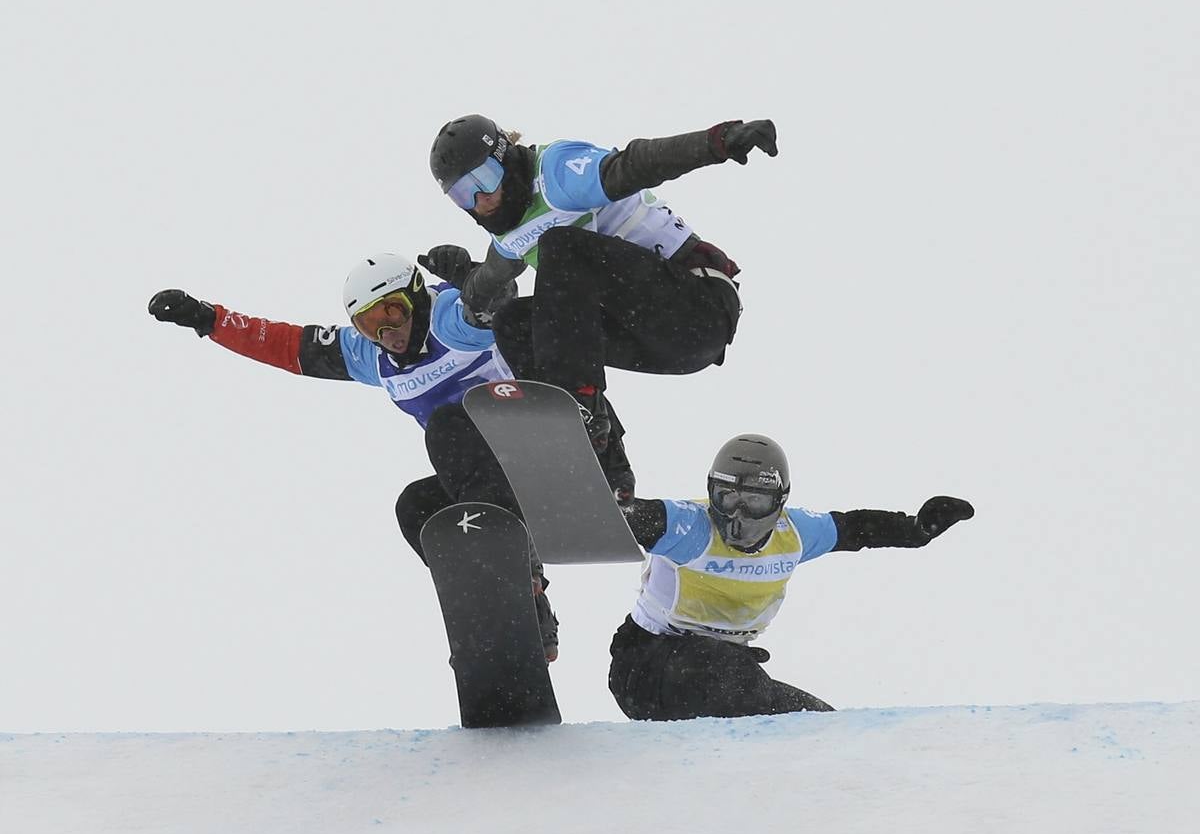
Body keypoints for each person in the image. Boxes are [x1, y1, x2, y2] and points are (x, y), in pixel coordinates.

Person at [147, 253, 566, 660]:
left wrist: (470, 272)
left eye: (393, 311)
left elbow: (502, 293)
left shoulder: (453, 316)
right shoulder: (372, 357)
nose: (387, 332)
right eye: (370, 324)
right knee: (419, 509)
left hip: (537, 444)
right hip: (494, 484)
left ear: (417, 296)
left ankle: (517, 565)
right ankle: (507, 612)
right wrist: (209, 319)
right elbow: (283, 343)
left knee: (448, 426)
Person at [423, 113, 777, 454]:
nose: (480, 200)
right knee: (513, 323)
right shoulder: (508, 237)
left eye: (483, 178)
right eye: (463, 194)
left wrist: (719, 141)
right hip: (651, 338)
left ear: (505, 157)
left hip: (698, 310)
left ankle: (576, 404)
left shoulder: (556, 172)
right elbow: (486, 285)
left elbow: (636, 164)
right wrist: (461, 275)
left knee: (559, 247)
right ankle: (606, 465)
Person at [608, 434, 974, 720]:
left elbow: (855, 528)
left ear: (779, 501)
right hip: (644, 667)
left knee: (814, 722)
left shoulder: (794, 533)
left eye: (754, 502)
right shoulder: (688, 526)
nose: (738, 513)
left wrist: (914, 530)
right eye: (726, 497)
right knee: (732, 677)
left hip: (717, 672)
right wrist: (603, 500)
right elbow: (627, 517)